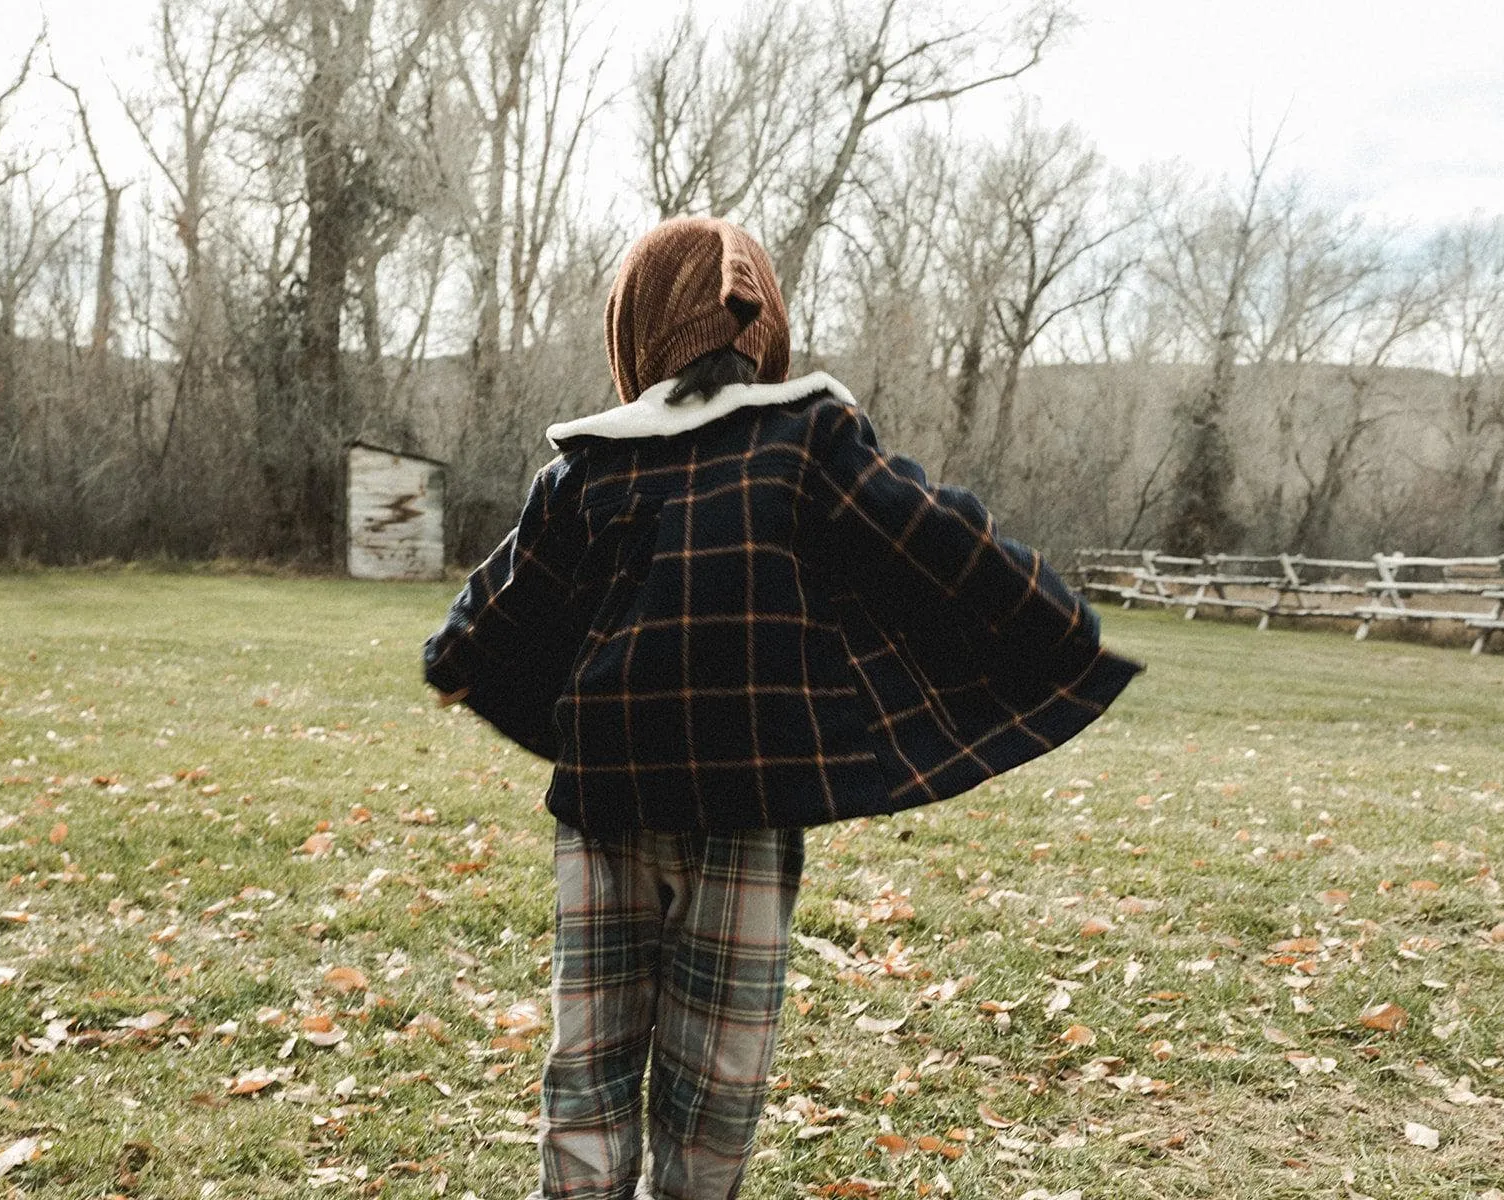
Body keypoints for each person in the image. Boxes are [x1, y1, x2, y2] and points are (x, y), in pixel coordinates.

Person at [424, 216, 1142, 1200]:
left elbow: (480, 630)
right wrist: (1059, 630)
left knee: (588, 1061)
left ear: (629, 334)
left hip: (608, 811)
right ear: (763, 333)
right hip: (736, 811)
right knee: (716, 1076)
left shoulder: (595, 469)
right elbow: (939, 537)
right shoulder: (790, 440)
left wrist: (477, 674)